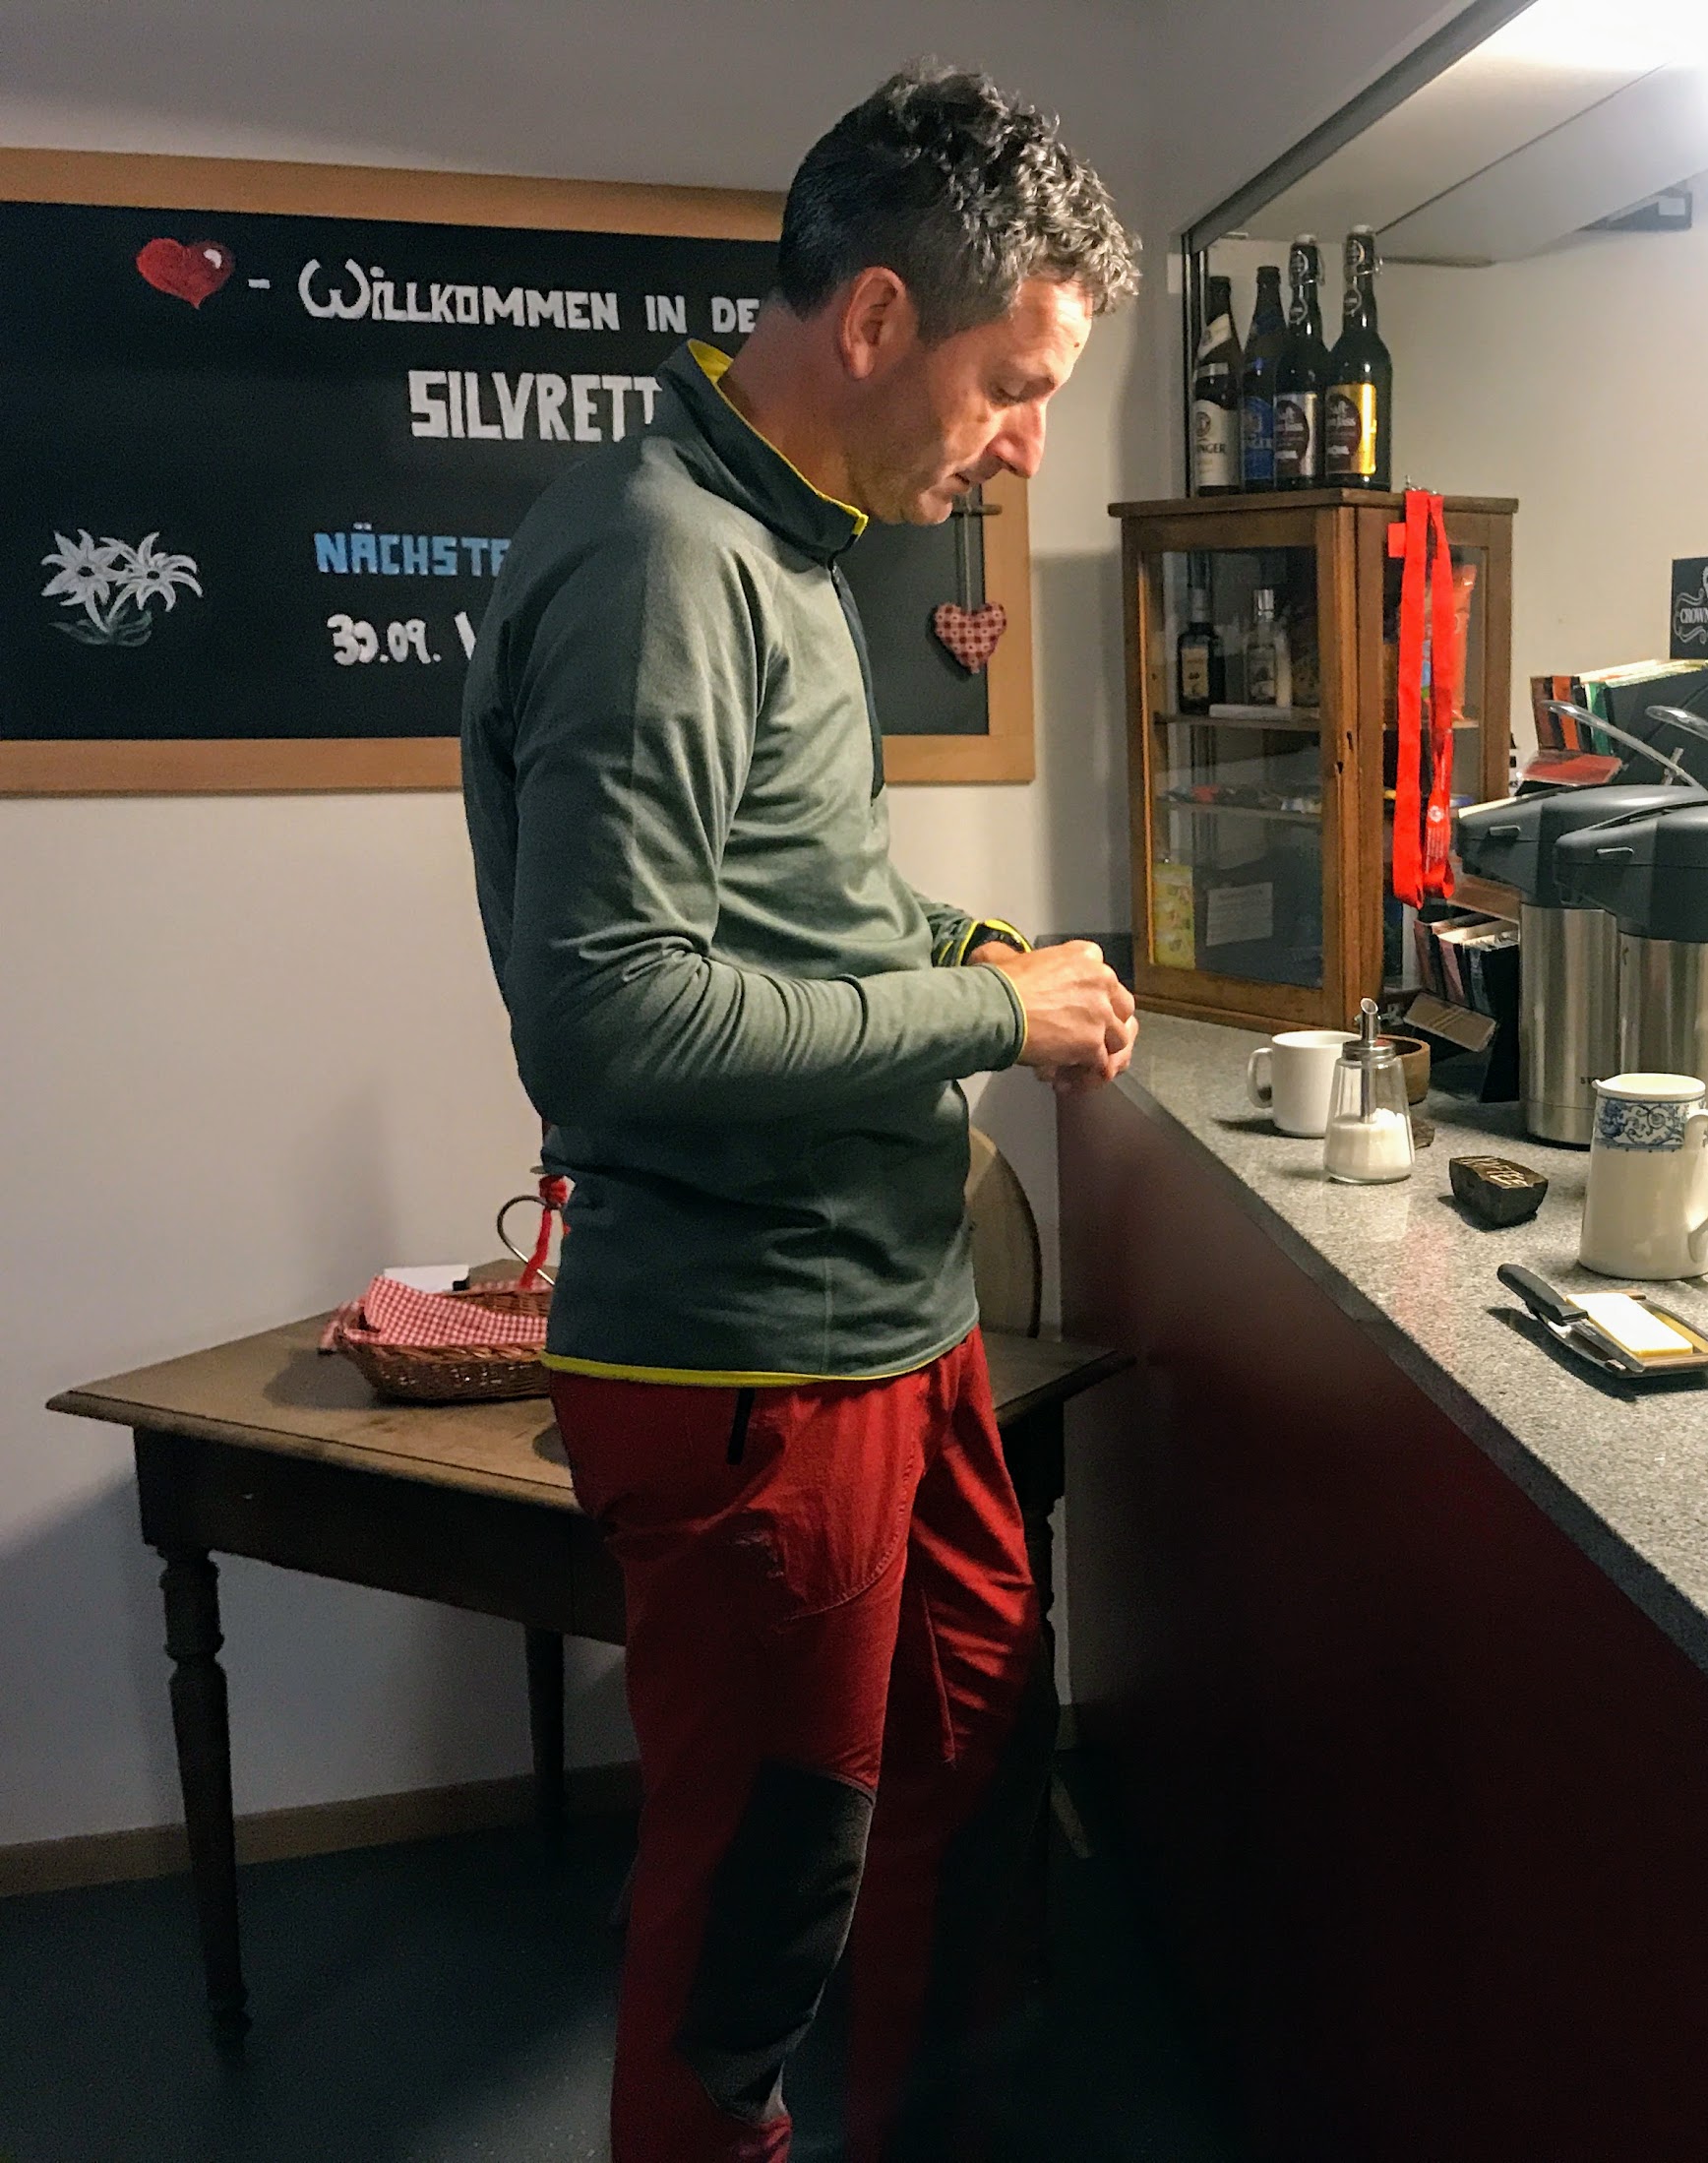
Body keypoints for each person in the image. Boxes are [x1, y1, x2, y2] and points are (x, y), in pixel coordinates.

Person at [460, 64, 1137, 2163]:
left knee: (957, 1772)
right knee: (759, 1902)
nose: (1025, 444)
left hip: (884, 1324)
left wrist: (982, 949)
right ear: (869, 323)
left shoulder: (788, 543)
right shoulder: (666, 562)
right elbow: (609, 1020)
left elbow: (791, 905)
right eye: (1013, 383)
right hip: (748, 1357)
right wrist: (976, 1012)